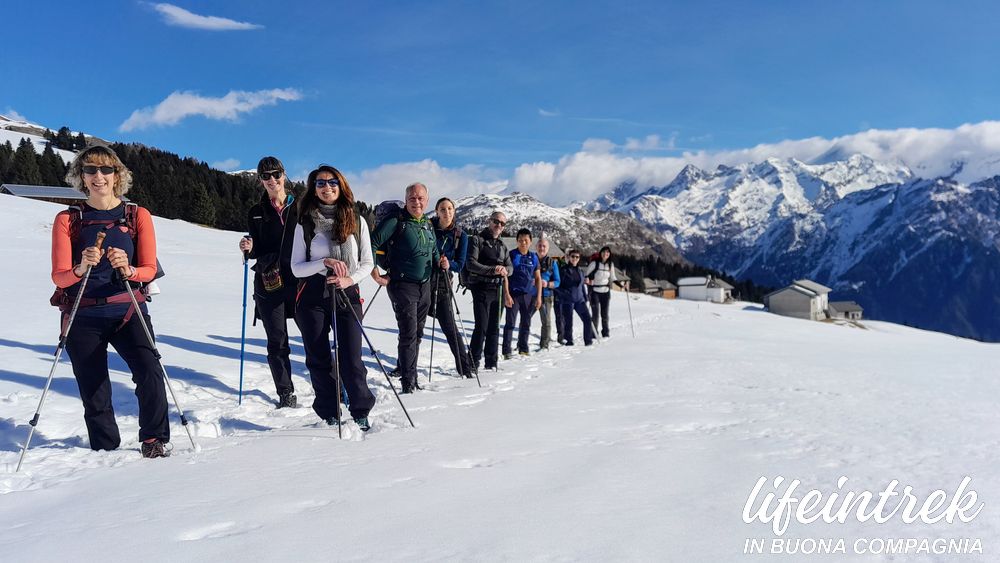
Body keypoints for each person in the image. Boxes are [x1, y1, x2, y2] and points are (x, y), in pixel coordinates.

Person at [51, 144, 170, 458]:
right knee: (94, 388)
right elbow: (59, 277)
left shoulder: (135, 215)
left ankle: (153, 439)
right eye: (90, 170)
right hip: (83, 314)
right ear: (81, 176)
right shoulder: (68, 219)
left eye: (106, 169)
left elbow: (148, 270)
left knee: (149, 370)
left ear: (118, 175)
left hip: (128, 307)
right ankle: (105, 450)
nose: (98, 176)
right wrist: (80, 267)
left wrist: (128, 269)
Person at [290, 165, 376, 429]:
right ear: (313, 188)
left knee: (351, 357)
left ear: (341, 186)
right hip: (313, 296)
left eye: (332, 182)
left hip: (346, 293)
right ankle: (329, 412)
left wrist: (348, 279)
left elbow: (367, 262)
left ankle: (360, 409)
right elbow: (295, 267)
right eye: (320, 183)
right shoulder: (304, 221)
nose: (327, 187)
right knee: (318, 359)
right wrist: (322, 263)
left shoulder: (356, 220)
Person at [238, 156, 298, 408]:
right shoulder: (256, 212)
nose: (272, 180)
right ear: (260, 180)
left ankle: (329, 387)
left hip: (300, 278)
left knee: (315, 336)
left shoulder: (301, 207)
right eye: (266, 176)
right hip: (269, 281)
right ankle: (285, 393)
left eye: (275, 174)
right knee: (277, 340)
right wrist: (247, 248)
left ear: (284, 175)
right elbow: (256, 248)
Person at [371, 183, 442, 393]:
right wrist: (374, 271)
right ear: (406, 200)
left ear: (427, 201)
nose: (416, 202)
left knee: (417, 333)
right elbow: (372, 243)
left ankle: (406, 370)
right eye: (412, 198)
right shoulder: (396, 221)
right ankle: (409, 382)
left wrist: (441, 261)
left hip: (425, 285)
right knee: (409, 333)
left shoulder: (428, 224)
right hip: (402, 285)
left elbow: (433, 249)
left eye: (420, 198)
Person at [430, 197, 475, 377]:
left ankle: (465, 368)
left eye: (449, 209)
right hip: (424, 281)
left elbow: (461, 263)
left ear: (454, 211)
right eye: (442, 209)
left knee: (450, 328)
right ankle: (404, 367)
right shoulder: (428, 228)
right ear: (437, 211)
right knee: (415, 327)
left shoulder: (460, 236)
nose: (446, 212)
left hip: (443, 283)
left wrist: (449, 265)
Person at [464, 211, 512, 370]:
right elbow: (471, 264)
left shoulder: (502, 245)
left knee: (494, 327)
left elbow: (510, 267)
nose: (499, 225)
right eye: (496, 221)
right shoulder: (477, 240)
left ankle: (491, 363)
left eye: (502, 224)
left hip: (497, 289)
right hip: (481, 288)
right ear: (489, 221)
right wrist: (494, 270)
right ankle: (472, 363)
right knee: (481, 326)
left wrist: (505, 270)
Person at [502, 228, 542, 358]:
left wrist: (539, 297)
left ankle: (523, 347)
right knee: (510, 324)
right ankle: (506, 351)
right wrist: (506, 294)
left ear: (530, 241)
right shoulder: (511, 255)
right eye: (520, 240)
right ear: (517, 241)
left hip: (528, 296)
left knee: (526, 323)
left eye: (526, 240)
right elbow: (505, 276)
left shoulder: (534, 257)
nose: (523, 243)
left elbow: (538, 278)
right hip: (513, 295)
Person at [556, 250, 595, 347]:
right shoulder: (563, 270)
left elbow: (581, 286)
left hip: (579, 300)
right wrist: (564, 294)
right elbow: (557, 286)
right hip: (567, 300)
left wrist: (585, 298)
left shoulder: (580, 271)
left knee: (587, 319)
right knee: (568, 322)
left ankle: (588, 341)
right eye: (573, 256)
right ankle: (569, 341)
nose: (575, 259)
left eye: (577, 257)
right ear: (569, 257)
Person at [585, 245, 626, 338]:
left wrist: (621, 285)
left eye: (607, 252)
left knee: (605, 314)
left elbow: (613, 278)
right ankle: (594, 334)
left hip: (606, 292)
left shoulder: (610, 265)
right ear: (600, 253)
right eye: (604, 252)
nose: (605, 254)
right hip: (595, 291)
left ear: (609, 254)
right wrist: (588, 280)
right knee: (595, 315)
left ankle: (605, 333)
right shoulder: (594, 264)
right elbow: (586, 275)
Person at [536, 237, 560, 350]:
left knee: (546, 322)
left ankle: (544, 345)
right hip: (531, 295)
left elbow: (558, 282)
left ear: (548, 248)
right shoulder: (532, 259)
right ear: (536, 247)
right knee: (525, 320)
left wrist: (548, 284)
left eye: (544, 246)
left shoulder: (552, 263)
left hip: (546, 296)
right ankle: (522, 346)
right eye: (540, 245)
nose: (542, 248)